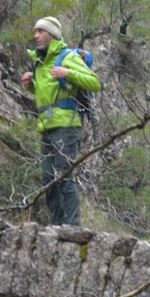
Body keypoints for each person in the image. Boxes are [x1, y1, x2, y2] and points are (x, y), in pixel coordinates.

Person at [21, 16, 100, 226]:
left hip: (67, 126)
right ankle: (56, 226)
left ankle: (72, 226)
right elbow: (48, 94)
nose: (36, 36)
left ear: (53, 35)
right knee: (48, 181)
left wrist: (69, 73)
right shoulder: (39, 62)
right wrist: (31, 86)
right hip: (46, 128)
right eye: (35, 31)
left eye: (41, 31)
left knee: (64, 176)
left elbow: (94, 83)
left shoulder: (66, 57)